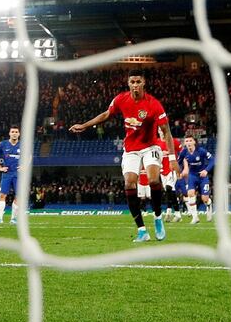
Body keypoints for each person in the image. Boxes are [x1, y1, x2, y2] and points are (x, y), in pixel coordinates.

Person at [70, 69, 179, 242]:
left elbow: (166, 132)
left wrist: (172, 159)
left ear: (144, 83)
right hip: (131, 149)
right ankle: (142, 230)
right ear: (128, 83)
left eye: (138, 82)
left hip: (150, 146)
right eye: (132, 82)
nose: (135, 85)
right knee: (129, 183)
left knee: (153, 180)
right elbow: (106, 114)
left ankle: (158, 217)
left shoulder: (153, 104)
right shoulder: (121, 99)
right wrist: (84, 125)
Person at [178, 135, 215, 224]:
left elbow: (212, 160)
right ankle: (195, 218)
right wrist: (178, 171)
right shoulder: (184, 152)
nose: (188, 143)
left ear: (194, 142)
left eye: (190, 140)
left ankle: (209, 204)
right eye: (186, 141)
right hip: (192, 176)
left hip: (202, 177)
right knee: (190, 194)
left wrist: (206, 170)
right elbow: (178, 162)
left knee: (204, 199)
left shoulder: (201, 151)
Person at [0, 125, 23, 225]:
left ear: (19, 134)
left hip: (18, 174)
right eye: (12, 132)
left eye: (16, 132)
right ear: (9, 133)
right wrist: (0, 168)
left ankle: (13, 219)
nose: (14, 133)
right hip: (7, 174)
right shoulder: (3, 144)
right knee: (2, 195)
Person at [156, 128, 183, 222]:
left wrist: (179, 164)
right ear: (158, 132)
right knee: (170, 192)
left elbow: (182, 152)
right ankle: (176, 213)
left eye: (163, 130)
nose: (162, 132)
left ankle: (169, 212)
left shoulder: (173, 141)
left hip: (172, 169)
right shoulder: (156, 142)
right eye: (160, 130)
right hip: (162, 171)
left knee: (168, 188)